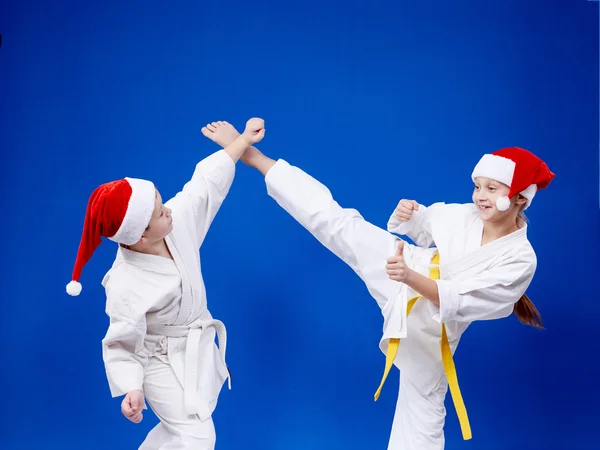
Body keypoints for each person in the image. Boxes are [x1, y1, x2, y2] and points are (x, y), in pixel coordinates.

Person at [201, 122, 554, 450]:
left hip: (434, 323)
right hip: (408, 264)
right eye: (478, 186)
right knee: (340, 224)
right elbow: (426, 222)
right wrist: (410, 214)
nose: (480, 196)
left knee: (424, 413)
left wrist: (409, 277)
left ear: (520, 197)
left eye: (492, 189)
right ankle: (254, 156)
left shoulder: (520, 259)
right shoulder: (463, 214)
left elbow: (461, 300)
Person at [66, 118, 265, 449]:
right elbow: (120, 342)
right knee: (197, 435)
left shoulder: (176, 223)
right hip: (155, 361)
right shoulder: (126, 283)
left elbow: (203, 186)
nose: (168, 212)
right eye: (160, 212)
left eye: (161, 202)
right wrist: (132, 386)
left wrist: (242, 140)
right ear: (141, 237)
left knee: (180, 433)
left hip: (193, 349)